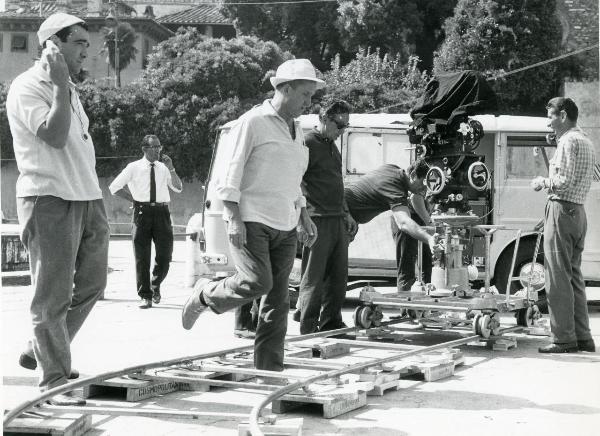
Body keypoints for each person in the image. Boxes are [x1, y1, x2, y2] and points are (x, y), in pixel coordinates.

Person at [181, 59, 322, 374]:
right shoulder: (252, 122)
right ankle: (206, 294)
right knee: (258, 282)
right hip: (252, 219)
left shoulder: (297, 130)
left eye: (311, 96)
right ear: (283, 88)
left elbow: (291, 177)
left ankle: (268, 371)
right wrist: (232, 217)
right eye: (303, 94)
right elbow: (229, 176)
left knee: (278, 299)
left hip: (285, 222)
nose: (308, 102)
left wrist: (303, 214)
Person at [6, 13, 110, 406]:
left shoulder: (67, 88)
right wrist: (59, 85)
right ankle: (54, 381)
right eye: (80, 42)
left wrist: (64, 87)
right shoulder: (28, 86)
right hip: (48, 198)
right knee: (51, 297)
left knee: (93, 284)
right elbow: (52, 135)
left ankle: (42, 346)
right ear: (54, 44)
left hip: (86, 196)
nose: (88, 50)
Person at [530, 97, 596, 353]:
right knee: (574, 278)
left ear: (563, 115)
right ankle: (583, 337)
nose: (548, 123)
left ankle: (563, 339)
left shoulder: (568, 141)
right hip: (578, 212)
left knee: (556, 278)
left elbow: (564, 181)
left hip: (563, 208)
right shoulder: (585, 140)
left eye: (550, 117)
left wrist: (542, 182)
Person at [296, 100, 358, 334]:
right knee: (314, 276)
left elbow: (337, 183)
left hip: (336, 219)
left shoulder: (332, 146)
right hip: (316, 218)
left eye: (346, 126)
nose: (342, 131)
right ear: (322, 119)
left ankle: (331, 322)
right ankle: (308, 326)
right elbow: (297, 181)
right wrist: (303, 218)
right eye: (339, 125)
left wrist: (346, 213)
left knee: (338, 277)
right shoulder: (306, 143)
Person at [109, 135, 182, 309]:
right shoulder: (133, 167)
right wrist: (133, 200)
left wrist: (172, 169)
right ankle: (145, 295)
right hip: (142, 213)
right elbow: (114, 187)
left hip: (162, 212)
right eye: (154, 147)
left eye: (159, 147)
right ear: (144, 149)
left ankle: (155, 285)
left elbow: (178, 188)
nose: (158, 150)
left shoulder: (164, 168)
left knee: (165, 255)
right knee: (142, 256)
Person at [345, 159, 438, 278]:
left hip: (343, 212)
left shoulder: (392, 169)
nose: (424, 191)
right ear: (413, 175)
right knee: (333, 274)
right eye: (423, 185)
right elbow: (403, 223)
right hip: (339, 214)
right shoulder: (395, 186)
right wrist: (429, 239)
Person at [391, 191, 433, 292]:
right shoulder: (422, 180)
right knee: (406, 267)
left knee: (427, 265)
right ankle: (406, 305)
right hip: (406, 218)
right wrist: (430, 222)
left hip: (421, 218)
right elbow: (415, 197)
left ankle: (426, 302)